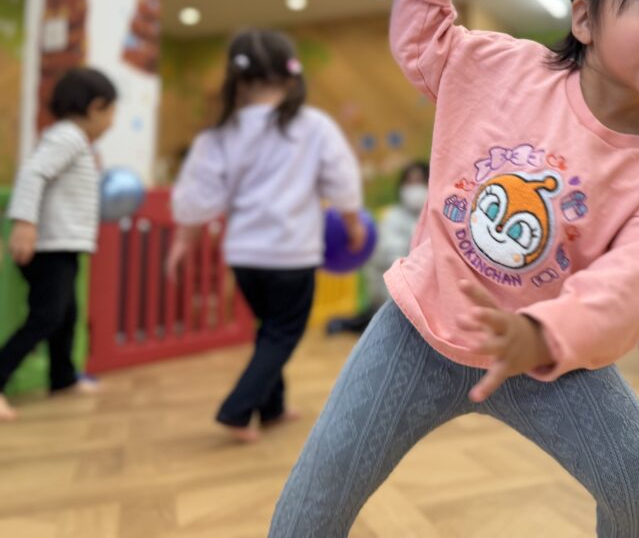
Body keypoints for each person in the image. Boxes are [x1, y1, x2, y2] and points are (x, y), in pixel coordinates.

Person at [269, 0, 639, 537]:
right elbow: (423, 43)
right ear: (584, 18)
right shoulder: (501, 67)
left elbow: (629, 286)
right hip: (417, 329)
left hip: (545, 354)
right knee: (322, 488)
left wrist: (544, 336)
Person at [166, 29, 366, 443]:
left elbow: (198, 195)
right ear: (292, 78)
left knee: (270, 327)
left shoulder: (220, 134)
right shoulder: (312, 126)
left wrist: (183, 241)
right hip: (291, 254)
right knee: (283, 332)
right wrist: (353, 225)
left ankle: (273, 408)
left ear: (237, 80)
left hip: (244, 257)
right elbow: (342, 180)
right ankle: (237, 410)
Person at [0, 68, 118, 422]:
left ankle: (63, 378)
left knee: (66, 316)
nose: (111, 122)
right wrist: (24, 223)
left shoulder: (75, 142)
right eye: (111, 113)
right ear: (95, 107)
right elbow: (33, 173)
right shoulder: (68, 137)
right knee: (46, 317)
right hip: (49, 246)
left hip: (63, 245)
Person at [330, 160, 430, 333]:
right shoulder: (393, 217)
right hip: (393, 299)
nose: (414, 189)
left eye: (419, 182)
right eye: (410, 183)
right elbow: (394, 260)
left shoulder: (437, 219)